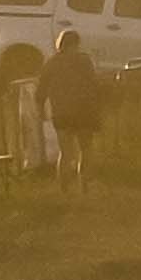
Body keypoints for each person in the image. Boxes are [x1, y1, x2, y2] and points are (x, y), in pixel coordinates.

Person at [41, 27, 103, 192]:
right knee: (85, 149)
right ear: (76, 44)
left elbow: (41, 90)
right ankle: (84, 184)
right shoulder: (84, 61)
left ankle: (64, 188)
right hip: (83, 112)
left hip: (61, 113)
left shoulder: (51, 63)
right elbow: (94, 84)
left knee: (65, 152)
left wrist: (41, 109)